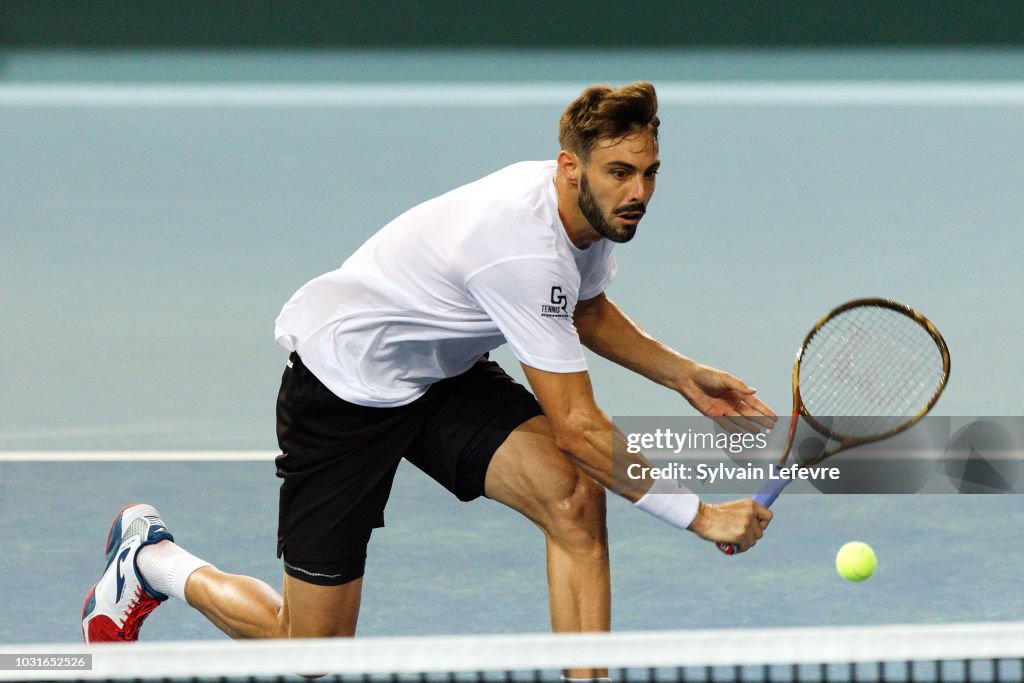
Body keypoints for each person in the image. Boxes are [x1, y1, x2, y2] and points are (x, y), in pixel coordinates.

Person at [82, 82, 775, 681]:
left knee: (573, 499)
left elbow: (584, 306)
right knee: (309, 649)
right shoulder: (519, 248)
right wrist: (700, 514)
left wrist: (683, 376)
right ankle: (153, 561)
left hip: (440, 373)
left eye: (649, 173)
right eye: (620, 172)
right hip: (342, 387)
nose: (639, 193)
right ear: (570, 167)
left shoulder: (583, 218)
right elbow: (579, 428)